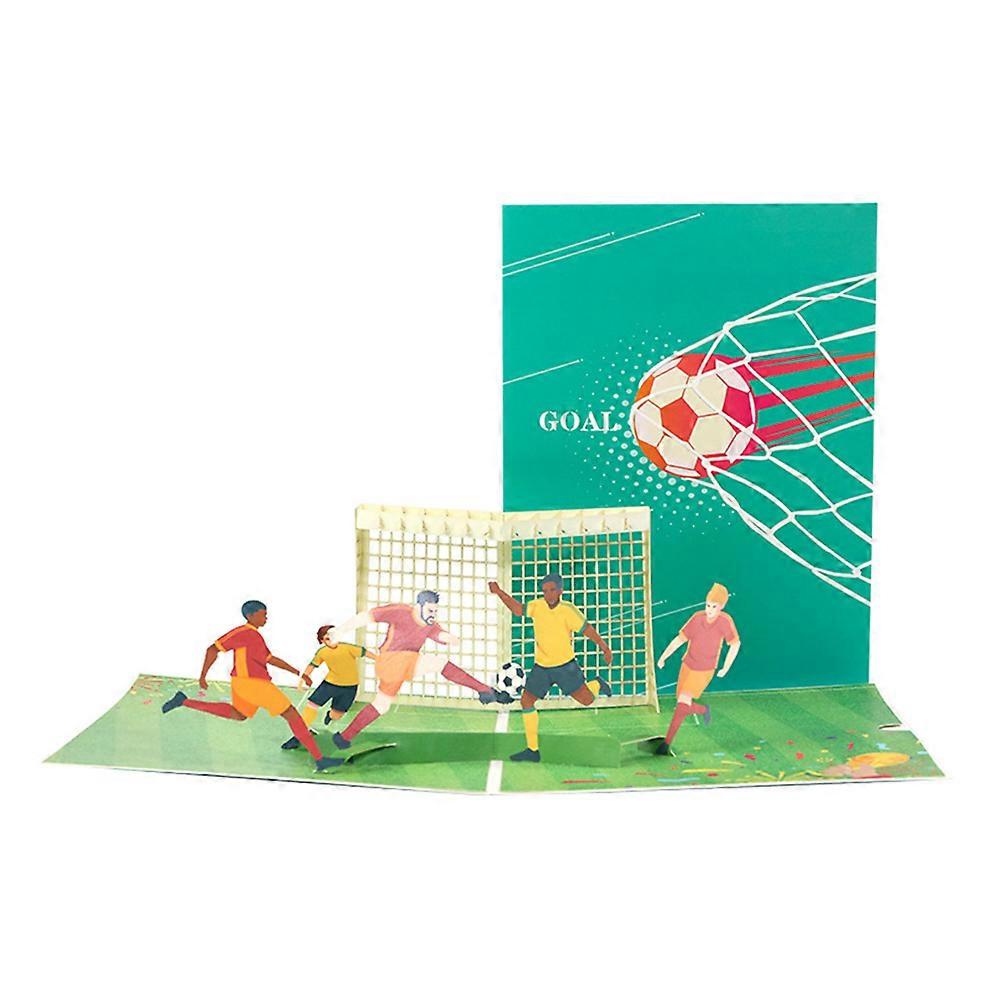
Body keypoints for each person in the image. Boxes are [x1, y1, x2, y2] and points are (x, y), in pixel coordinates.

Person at [161, 600, 340, 771]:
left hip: (244, 683)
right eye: (263, 615)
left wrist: (298, 673)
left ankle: (183, 701)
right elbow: (212, 649)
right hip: (253, 683)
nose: (266, 618)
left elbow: (270, 659)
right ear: (250, 615)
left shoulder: (255, 635)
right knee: (291, 714)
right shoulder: (243, 632)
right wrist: (203, 676)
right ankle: (320, 760)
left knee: (238, 714)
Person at [328, 589, 510, 751]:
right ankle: (484, 690)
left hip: (398, 668)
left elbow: (439, 634)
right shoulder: (401, 612)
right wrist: (340, 630)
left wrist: (449, 638)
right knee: (439, 663)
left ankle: (344, 738)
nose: (433, 615)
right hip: (391, 660)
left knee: (381, 705)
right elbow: (365, 617)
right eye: (430, 610)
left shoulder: (430, 624)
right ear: (419, 606)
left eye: (436, 611)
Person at [488, 573, 613, 763]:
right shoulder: (537, 606)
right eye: (545, 591)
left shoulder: (568, 610)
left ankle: (597, 683)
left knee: (587, 700)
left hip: (565, 667)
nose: (549, 594)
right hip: (542, 668)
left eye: (552, 590)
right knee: (526, 701)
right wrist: (498, 592)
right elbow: (517, 609)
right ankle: (532, 750)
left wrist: (604, 647)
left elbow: (587, 630)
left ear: (560, 591)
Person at [655, 582, 740, 756]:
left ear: (722, 607)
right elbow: (680, 640)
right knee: (682, 702)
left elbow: (735, 644)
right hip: (687, 664)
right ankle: (703, 710)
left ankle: (666, 744)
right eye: (708, 605)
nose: (710, 610)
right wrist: (664, 656)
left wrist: (725, 667)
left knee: (682, 702)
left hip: (704, 670)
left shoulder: (725, 621)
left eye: (714, 606)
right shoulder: (697, 618)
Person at [280, 625, 371, 751]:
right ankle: (299, 736)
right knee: (312, 705)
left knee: (336, 715)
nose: (332, 640)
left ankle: (330, 715)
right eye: (327, 638)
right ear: (322, 640)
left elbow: (365, 653)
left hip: (349, 687)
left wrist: (382, 659)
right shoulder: (322, 652)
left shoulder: (348, 648)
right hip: (329, 684)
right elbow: (312, 665)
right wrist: (303, 679)